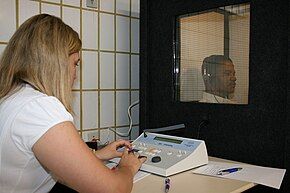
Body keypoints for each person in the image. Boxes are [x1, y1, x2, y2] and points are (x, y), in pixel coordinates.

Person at [0, 14, 146, 193]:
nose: (75, 74)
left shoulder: (13, 98)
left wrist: (97, 155)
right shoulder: (40, 108)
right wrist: (127, 168)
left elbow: (47, 159)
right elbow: (112, 190)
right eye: (75, 64)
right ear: (56, 63)